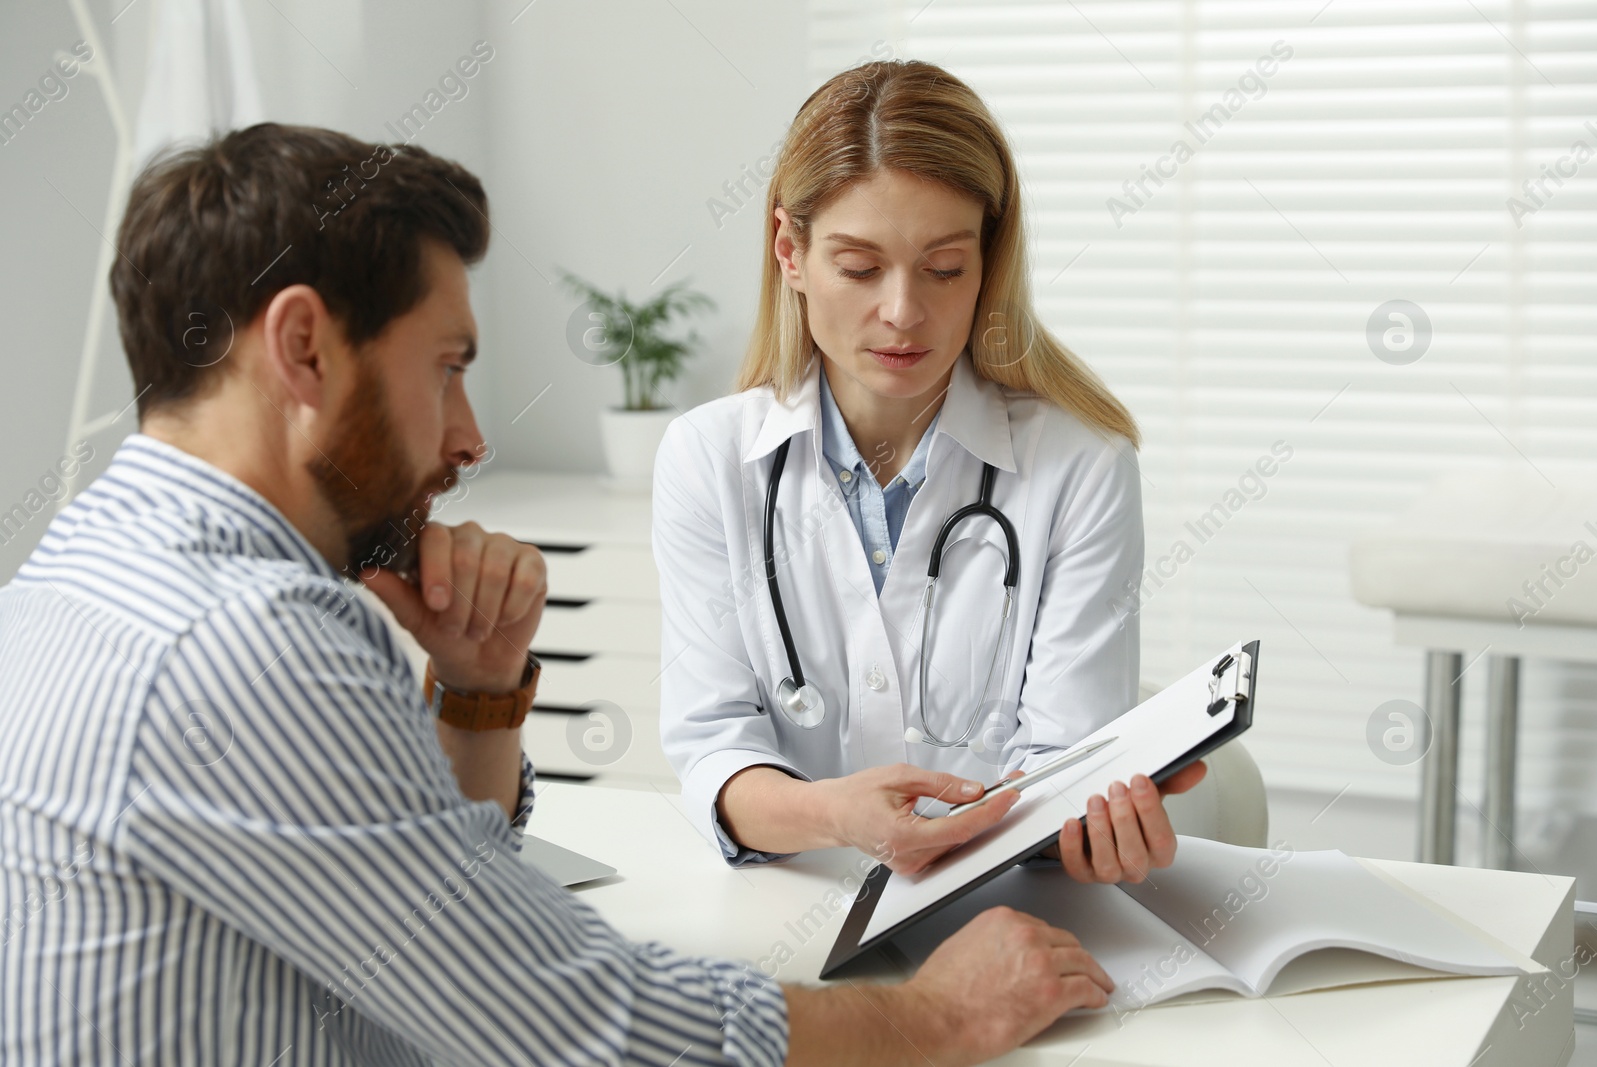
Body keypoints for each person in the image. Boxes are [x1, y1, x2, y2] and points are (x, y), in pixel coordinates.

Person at [0, 122, 1115, 1067]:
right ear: (302, 347)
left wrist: (481, 691)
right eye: (447, 365)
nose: (471, 436)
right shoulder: (252, 642)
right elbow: (570, 1024)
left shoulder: (69, 579)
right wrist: (935, 1014)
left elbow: (426, 910)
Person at [655, 59, 1205, 879]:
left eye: (944, 268)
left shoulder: (1082, 467)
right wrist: (836, 814)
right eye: (860, 267)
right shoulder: (708, 459)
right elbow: (714, 749)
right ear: (789, 251)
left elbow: (1062, 761)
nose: (904, 311)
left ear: (988, 265)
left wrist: (1092, 825)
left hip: (1007, 910)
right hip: (788, 913)